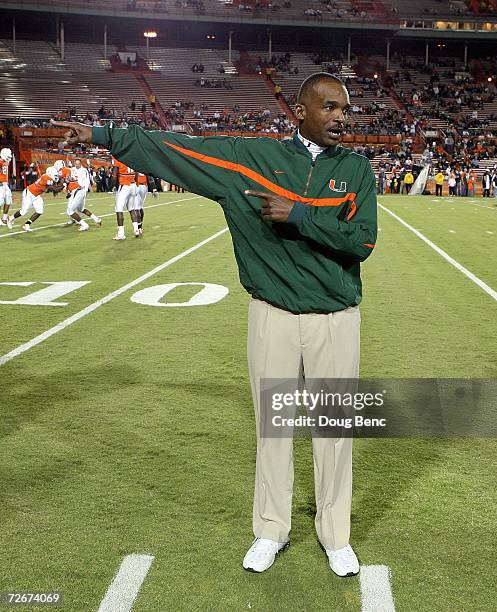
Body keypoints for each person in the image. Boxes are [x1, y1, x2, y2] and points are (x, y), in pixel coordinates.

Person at [51, 71, 377, 578]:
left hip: (336, 318)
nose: (341, 117)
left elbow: (362, 242)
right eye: (331, 107)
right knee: (274, 431)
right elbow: (177, 149)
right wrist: (103, 135)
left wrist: (298, 216)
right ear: (301, 109)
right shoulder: (251, 160)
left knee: (335, 433)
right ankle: (271, 529)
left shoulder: (356, 169)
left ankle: (336, 536)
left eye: (345, 109)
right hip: (271, 313)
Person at [8, 166, 61, 231]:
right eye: (55, 175)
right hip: (29, 193)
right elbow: (53, 189)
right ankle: (10, 218)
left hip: (36, 195)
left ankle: (27, 224)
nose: (56, 176)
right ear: (50, 173)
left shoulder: (48, 178)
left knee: (39, 211)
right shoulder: (46, 177)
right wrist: (63, 186)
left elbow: (53, 191)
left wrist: (57, 189)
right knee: (23, 212)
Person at [0, 148, 13, 226]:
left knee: (8, 201)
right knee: (0, 202)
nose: (9, 158)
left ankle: (4, 218)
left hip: (5, 184)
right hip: (0, 185)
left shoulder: (6, 162)